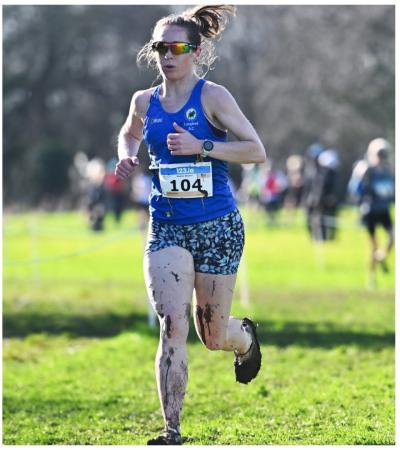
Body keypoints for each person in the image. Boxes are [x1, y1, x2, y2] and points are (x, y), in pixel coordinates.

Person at [114, 5, 265, 445]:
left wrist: (204, 145)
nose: (167, 55)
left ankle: (244, 337)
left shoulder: (214, 97)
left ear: (195, 52)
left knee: (211, 336)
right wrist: (126, 154)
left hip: (217, 225)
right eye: (160, 47)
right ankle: (172, 430)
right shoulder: (144, 101)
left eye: (177, 47)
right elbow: (129, 130)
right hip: (167, 227)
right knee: (171, 325)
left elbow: (255, 151)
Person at [354, 138, 394, 284]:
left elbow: (392, 191)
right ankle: (372, 277)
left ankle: (381, 256)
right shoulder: (366, 170)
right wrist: (360, 178)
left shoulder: (388, 172)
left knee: (393, 238)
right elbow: (355, 191)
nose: (381, 157)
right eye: (379, 154)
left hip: (384, 210)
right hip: (369, 211)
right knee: (374, 246)